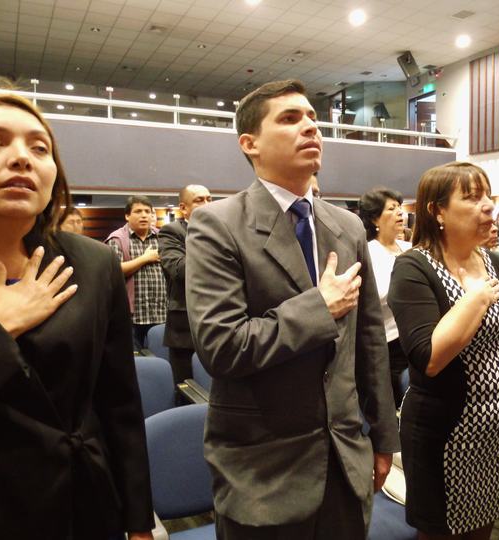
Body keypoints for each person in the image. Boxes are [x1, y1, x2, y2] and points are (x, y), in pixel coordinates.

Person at [184, 79, 400, 539]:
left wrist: (383, 437)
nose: (310, 127)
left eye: (312, 119)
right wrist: (318, 307)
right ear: (250, 143)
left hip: (345, 461)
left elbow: (369, 344)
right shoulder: (217, 224)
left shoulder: (346, 226)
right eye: (289, 118)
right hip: (264, 472)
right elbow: (221, 347)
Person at [0, 93, 153, 539]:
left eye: (39, 148)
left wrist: (139, 521)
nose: (21, 158)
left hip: (85, 501)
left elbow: (118, 402)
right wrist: (0, 328)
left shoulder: (94, 263)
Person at [388, 162, 499, 539]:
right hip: (446, 434)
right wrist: (476, 299)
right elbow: (430, 359)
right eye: (471, 197)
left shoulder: (493, 260)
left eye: (488, 196)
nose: (488, 206)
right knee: (443, 531)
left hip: (496, 429)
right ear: (437, 211)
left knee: (482, 527)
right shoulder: (413, 267)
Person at [359, 187, 411, 409]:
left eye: (400, 207)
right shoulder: (369, 252)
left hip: (414, 335)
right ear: (375, 219)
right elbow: (375, 297)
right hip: (388, 341)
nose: (400, 212)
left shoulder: (409, 248)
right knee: (391, 402)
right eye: (391, 209)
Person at [157, 184, 212, 384]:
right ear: (183, 208)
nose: (207, 204)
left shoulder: (223, 231)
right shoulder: (171, 231)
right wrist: (215, 250)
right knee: (187, 389)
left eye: (209, 199)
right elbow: (179, 270)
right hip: (185, 329)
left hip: (222, 322)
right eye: (199, 200)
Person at [106, 196, 167, 350]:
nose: (144, 215)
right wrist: (145, 258)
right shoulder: (117, 239)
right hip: (132, 317)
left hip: (161, 312)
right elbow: (114, 271)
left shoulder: (163, 237)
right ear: (127, 216)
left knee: (162, 358)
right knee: (133, 360)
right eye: (138, 211)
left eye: (147, 211)